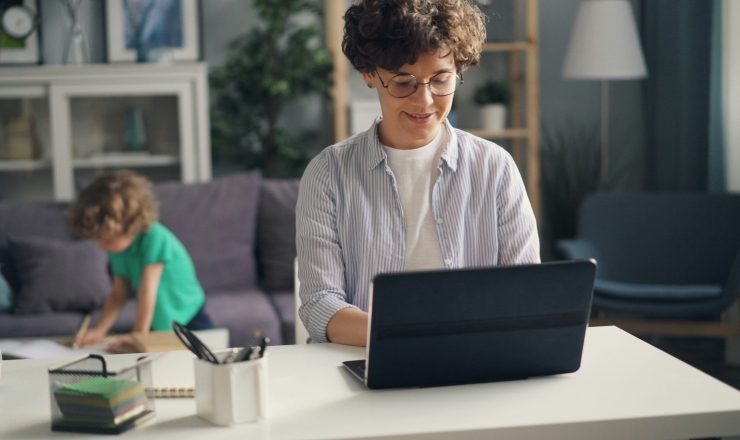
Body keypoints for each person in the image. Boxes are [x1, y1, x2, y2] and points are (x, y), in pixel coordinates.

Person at [297, 0, 540, 346]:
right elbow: (321, 306)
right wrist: (417, 334)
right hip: (364, 359)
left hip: (474, 361)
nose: (424, 101)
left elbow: (525, 292)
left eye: (441, 80)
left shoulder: (495, 168)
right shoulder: (328, 173)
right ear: (369, 74)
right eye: (402, 83)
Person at [69, 170, 213, 352]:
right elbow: (118, 293)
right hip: (160, 321)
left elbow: (147, 290)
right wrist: (99, 331)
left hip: (189, 316)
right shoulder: (118, 249)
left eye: (107, 240)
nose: (101, 247)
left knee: (208, 360)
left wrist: (138, 335)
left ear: (131, 225)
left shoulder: (155, 238)